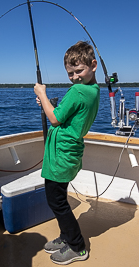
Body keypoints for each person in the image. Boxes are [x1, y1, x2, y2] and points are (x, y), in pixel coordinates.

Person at [34, 41, 100, 265]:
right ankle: (65, 237)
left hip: (61, 155)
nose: (74, 77)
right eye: (70, 73)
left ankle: (77, 247)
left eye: (78, 71)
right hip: (70, 153)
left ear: (93, 65)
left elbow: (54, 118)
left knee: (57, 202)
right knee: (59, 197)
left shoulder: (78, 91)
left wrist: (41, 94)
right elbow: (66, 114)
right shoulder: (93, 90)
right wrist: (47, 103)